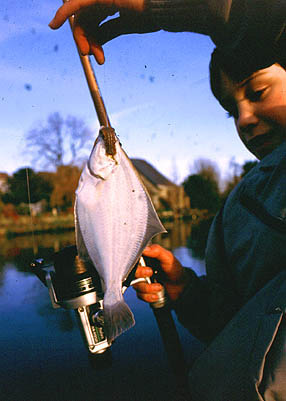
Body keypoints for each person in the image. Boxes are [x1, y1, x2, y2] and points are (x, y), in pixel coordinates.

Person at [49, 1, 286, 399]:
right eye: (231, 110)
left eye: (257, 92)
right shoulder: (235, 213)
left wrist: (163, 6)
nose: (244, 118)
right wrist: (189, 294)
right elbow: (240, 322)